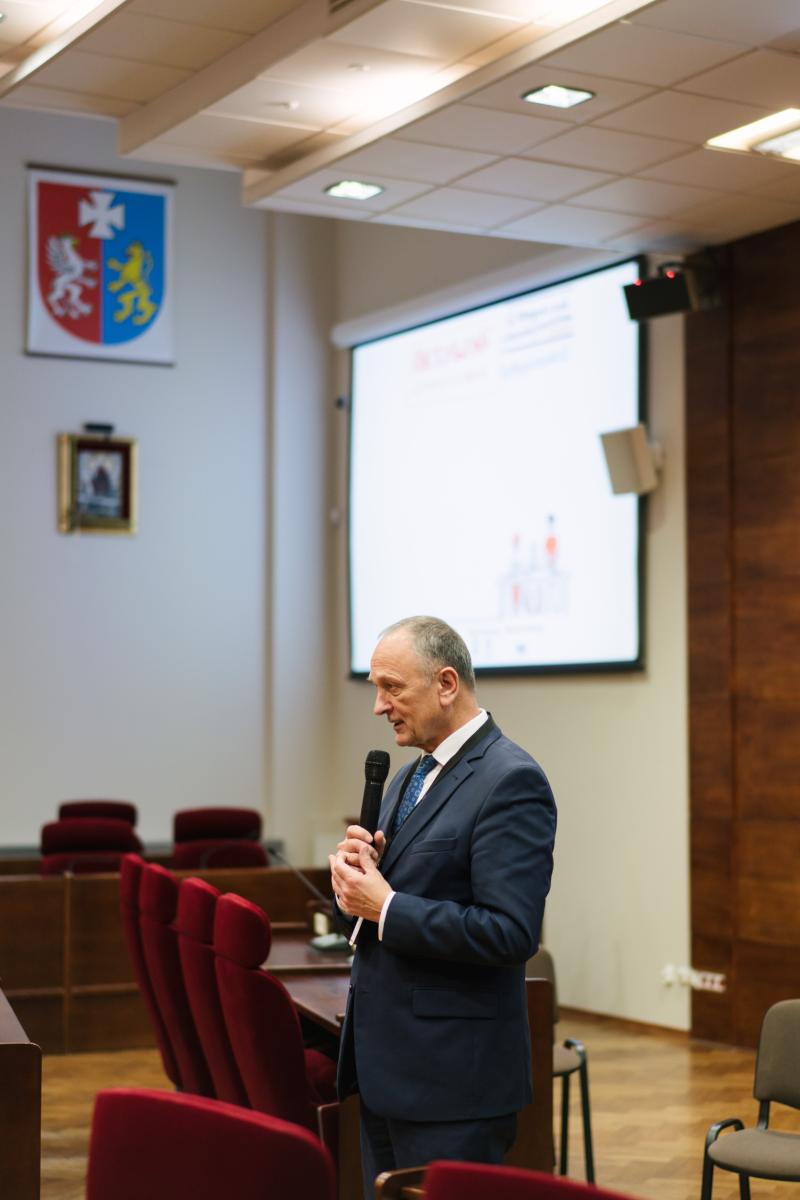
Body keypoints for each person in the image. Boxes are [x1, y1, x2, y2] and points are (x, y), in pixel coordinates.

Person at [329, 615, 557, 1198]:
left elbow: (510, 932)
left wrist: (387, 906)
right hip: (386, 1069)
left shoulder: (510, 780)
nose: (379, 706)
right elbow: (378, 912)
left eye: (392, 687)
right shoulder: (409, 777)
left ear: (446, 684)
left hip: (453, 1083)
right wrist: (354, 886)